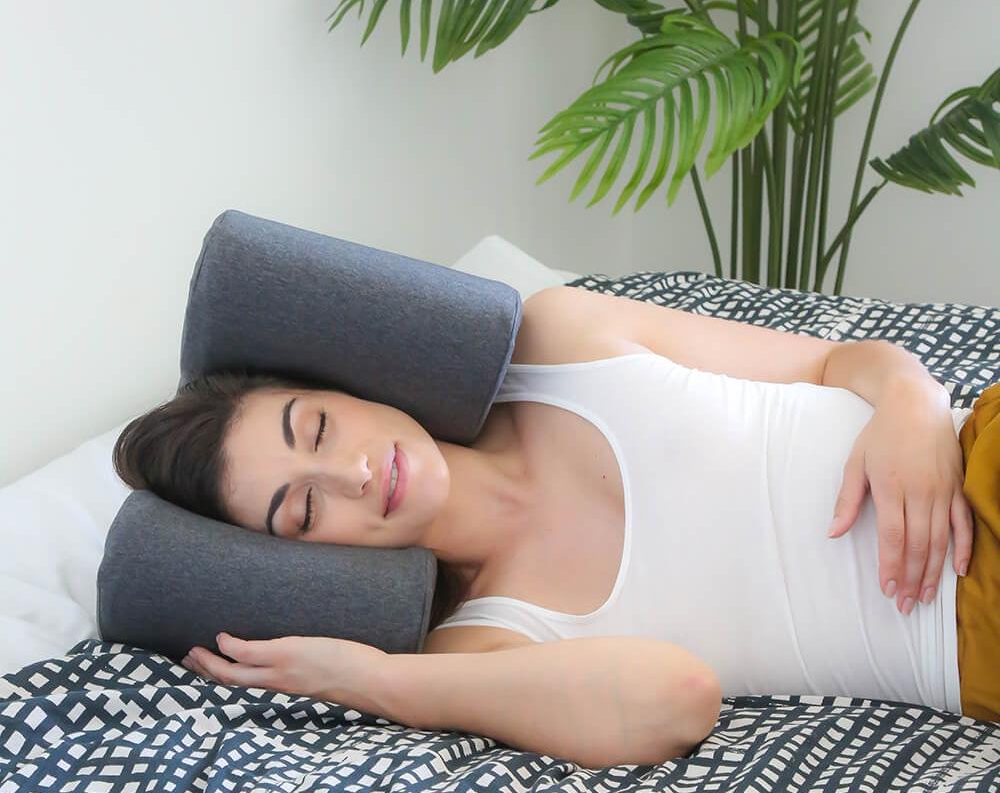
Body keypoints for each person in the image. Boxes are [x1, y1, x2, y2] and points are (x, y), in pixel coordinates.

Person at [112, 286, 999, 767]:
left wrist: (914, 399)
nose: (350, 472)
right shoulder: (475, 645)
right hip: (969, 638)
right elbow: (675, 697)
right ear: (303, 566)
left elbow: (837, 359)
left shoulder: (557, 336)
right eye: (304, 511)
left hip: (976, 443)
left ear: (340, 382)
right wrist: (376, 680)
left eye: (315, 427)